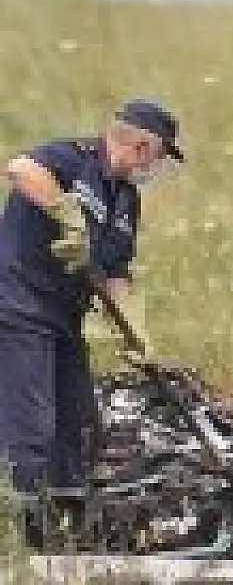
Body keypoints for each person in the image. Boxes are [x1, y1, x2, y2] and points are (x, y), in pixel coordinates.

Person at [0, 99, 184, 502]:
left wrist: (136, 332)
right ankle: (21, 520)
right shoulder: (73, 158)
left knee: (80, 427)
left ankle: (68, 513)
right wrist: (65, 212)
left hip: (64, 318)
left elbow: (115, 274)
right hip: (18, 306)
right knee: (30, 427)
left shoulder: (126, 200)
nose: (154, 169)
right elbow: (20, 168)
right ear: (143, 147)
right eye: (158, 158)